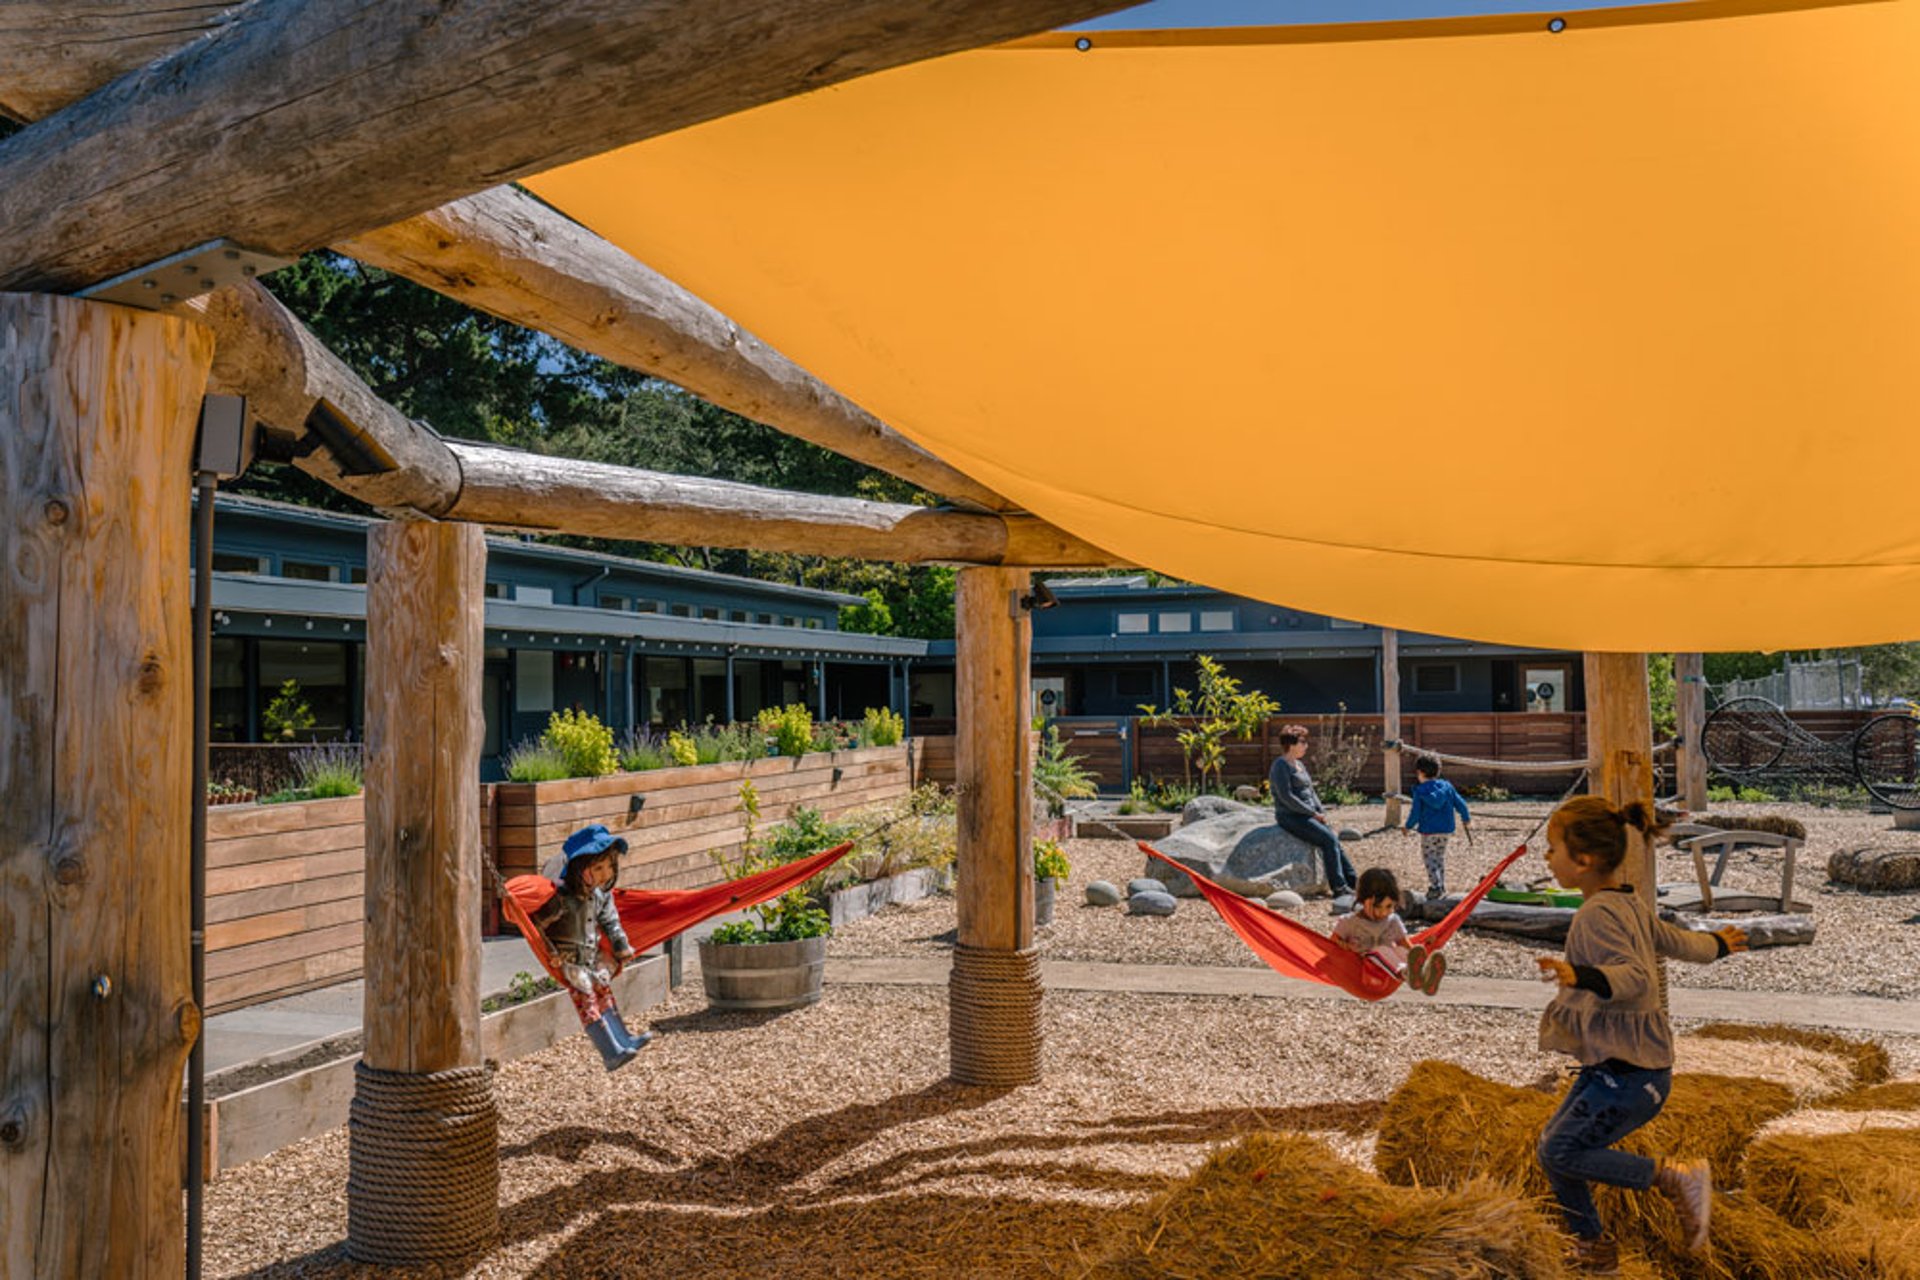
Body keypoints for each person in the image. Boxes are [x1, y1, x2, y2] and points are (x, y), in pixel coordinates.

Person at [1533, 797, 1748, 1272]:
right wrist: (1716, 945)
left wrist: (1582, 976)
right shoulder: (1627, 902)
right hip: (1620, 1067)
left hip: (1630, 1076)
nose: (1547, 858)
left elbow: (1635, 978)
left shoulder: (1596, 914)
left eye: (1552, 849)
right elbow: (1673, 940)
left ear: (1583, 860)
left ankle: (1674, 1178)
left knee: (1564, 1150)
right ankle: (1593, 1248)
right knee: (1552, 1148)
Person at [531, 823, 652, 1072]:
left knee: (604, 993)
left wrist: (621, 945)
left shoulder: (601, 895)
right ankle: (611, 1053)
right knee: (587, 1001)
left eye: (609, 866)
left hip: (591, 955)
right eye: (598, 867)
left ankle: (624, 1039)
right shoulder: (561, 896)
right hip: (569, 959)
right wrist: (550, 952)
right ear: (578, 868)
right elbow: (537, 925)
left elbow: (610, 921)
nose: (606, 873)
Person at [1268, 723, 1358, 902]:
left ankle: (1353, 882)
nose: (1306, 746)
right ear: (1291, 744)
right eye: (1302, 742)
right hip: (1291, 816)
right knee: (1328, 840)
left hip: (1308, 815)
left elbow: (1311, 792)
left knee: (1333, 839)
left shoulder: (1300, 764)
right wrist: (1312, 813)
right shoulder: (1280, 766)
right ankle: (1339, 888)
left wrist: (1320, 812)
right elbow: (1286, 797)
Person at [1330, 867, 1444, 995]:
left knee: (1400, 950)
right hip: (1367, 969)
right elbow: (1331, 944)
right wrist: (1344, 945)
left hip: (1388, 967)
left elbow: (1404, 942)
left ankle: (1425, 975)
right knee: (1380, 950)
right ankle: (1406, 973)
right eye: (1377, 907)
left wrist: (1424, 948)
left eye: (1389, 906)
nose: (1384, 912)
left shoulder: (1392, 920)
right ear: (1364, 900)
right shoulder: (1349, 922)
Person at [1405, 754, 1472, 899]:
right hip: (1445, 830)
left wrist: (1408, 826)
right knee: (1439, 857)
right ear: (1438, 771)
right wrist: (1466, 818)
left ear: (1420, 772)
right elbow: (1461, 804)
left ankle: (1435, 886)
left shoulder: (1420, 791)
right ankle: (1441, 884)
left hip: (1428, 832)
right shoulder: (1447, 787)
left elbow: (1415, 813)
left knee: (1429, 858)